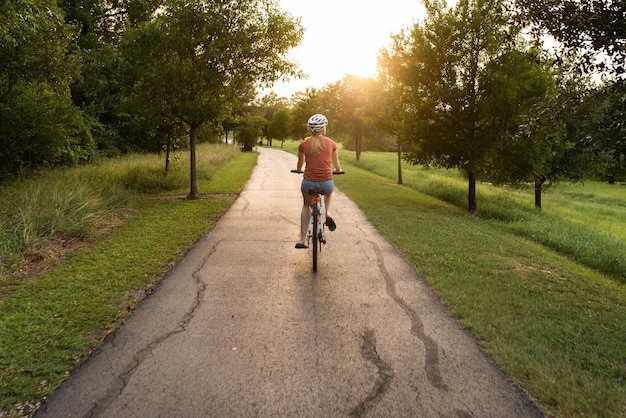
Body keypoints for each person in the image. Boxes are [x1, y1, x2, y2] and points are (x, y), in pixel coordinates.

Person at [295, 114, 343, 249]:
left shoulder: (303, 145)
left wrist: (299, 170)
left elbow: (300, 163)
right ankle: (328, 213)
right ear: (323, 128)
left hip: (308, 183)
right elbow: (336, 163)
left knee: (306, 206)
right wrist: (338, 170)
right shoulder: (331, 144)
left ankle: (302, 240)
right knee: (330, 192)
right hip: (326, 182)